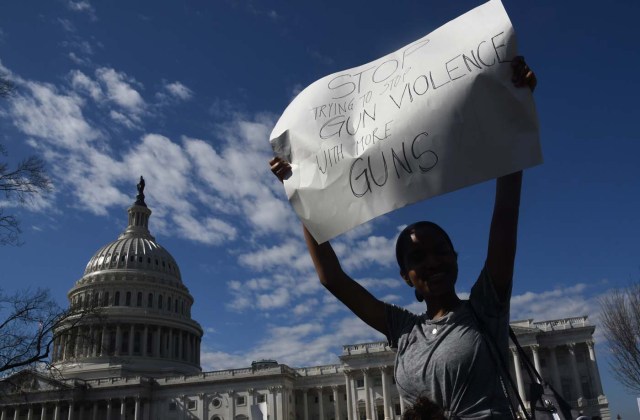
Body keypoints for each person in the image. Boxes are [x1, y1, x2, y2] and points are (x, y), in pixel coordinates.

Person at [270, 57, 536, 419]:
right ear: (405, 276)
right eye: (417, 258)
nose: (431, 262)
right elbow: (332, 278)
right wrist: (300, 196)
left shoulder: (486, 308)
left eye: (440, 251)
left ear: (456, 258)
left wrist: (514, 111)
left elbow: (505, 215)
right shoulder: (404, 330)